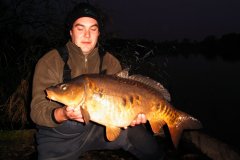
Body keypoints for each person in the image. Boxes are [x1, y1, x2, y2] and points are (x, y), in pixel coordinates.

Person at [30, 2, 167, 160]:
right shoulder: (50, 61)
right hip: (60, 136)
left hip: (99, 129)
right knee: (68, 127)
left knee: (146, 145)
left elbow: (126, 101)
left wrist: (133, 116)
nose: (87, 35)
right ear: (70, 32)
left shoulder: (110, 62)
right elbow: (37, 109)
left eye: (92, 29)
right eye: (80, 28)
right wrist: (62, 114)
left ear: (98, 33)